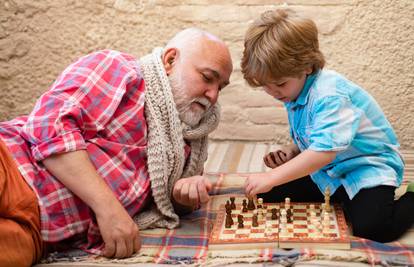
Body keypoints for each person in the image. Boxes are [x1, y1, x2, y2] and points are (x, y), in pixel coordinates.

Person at [0, 27, 233, 266]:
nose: (213, 95)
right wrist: (109, 209)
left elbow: (166, 206)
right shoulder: (120, 69)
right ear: (170, 60)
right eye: (207, 78)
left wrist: (183, 195)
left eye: (221, 87)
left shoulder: (190, 140)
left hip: (40, 231)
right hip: (12, 166)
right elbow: (50, 126)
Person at [241, 9, 414, 243]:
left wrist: (273, 176)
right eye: (265, 86)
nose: (273, 92)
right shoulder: (294, 91)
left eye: (279, 83)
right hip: (330, 171)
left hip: (366, 167)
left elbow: (323, 152)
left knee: (373, 228)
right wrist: (293, 151)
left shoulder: (329, 95)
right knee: (267, 193)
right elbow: (315, 133)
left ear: (307, 67)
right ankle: (341, 197)